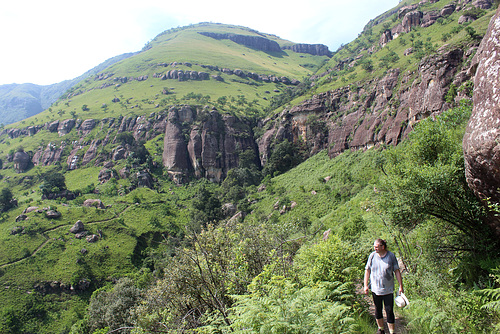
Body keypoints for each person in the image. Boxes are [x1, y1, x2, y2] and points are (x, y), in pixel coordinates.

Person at [363, 238, 403, 334]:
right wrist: (365, 285)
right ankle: (381, 329)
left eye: (376, 247)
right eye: (374, 247)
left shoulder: (391, 256)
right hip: (375, 289)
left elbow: (397, 271)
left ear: (383, 246)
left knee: (389, 310)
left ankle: (392, 331)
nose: (375, 249)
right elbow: (367, 270)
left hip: (388, 289)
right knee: (378, 310)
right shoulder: (372, 256)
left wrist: (400, 286)